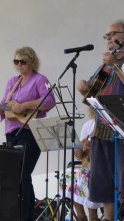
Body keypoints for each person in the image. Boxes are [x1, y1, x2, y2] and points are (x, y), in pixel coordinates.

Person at [77, 20, 124, 221]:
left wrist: (116, 65)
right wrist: (84, 89)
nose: (107, 39)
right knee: (103, 183)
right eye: (106, 36)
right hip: (102, 129)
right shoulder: (105, 66)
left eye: (112, 34)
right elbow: (93, 96)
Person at [0, 46, 56, 221]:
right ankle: (21, 214)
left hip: (30, 132)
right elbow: (4, 105)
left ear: (31, 61)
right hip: (12, 132)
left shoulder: (39, 80)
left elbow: (49, 100)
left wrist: (24, 105)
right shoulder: (12, 82)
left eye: (22, 62)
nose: (18, 65)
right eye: (15, 62)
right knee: (15, 175)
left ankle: (25, 215)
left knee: (22, 173)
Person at [64, 110, 102, 221]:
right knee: (68, 174)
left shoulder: (106, 123)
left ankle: (92, 216)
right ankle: (81, 215)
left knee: (86, 177)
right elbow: (79, 156)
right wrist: (80, 147)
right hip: (87, 164)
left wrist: (92, 145)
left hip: (102, 164)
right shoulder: (88, 124)